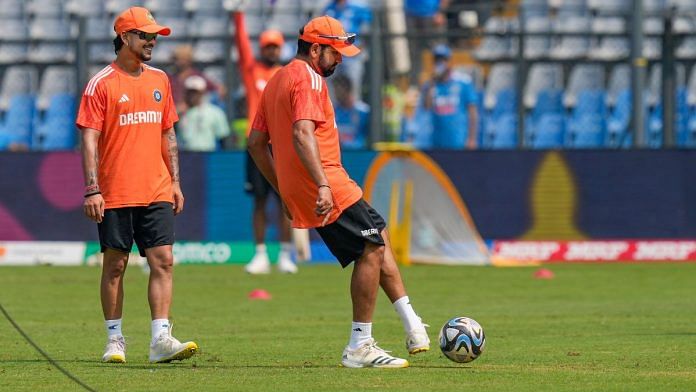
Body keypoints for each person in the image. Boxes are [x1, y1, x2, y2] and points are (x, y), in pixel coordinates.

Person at [247, 15, 430, 368]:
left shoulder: (276, 81)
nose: (340, 59)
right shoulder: (310, 79)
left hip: (307, 186)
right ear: (316, 49)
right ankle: (360, 345)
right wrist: (323, 184)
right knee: (370, 246)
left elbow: (255, 143)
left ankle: (412, 324)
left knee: (377, 237)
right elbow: (302, 133)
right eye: (335, 52)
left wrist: (284, 191)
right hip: (327, 181)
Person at [76, 6, 198, 364]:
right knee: (115, 265)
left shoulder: (160, 79)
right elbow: (88, 140)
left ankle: (161, 338)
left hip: (157, 188)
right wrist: (92, 188)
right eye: (145, 35)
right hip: (115, 191)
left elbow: (168, 133)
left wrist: (175, 181)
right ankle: (115, 340)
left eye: (154, 36)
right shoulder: (101, 84)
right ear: (125, 37)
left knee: (164, 260)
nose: (152, 42)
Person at [233, 10, 297, 274]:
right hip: (257, 143)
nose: (271, 50)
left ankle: (284, 255)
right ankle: (260, 254)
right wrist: (238, 16)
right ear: (262, 48)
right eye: (267, 46)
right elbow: (241, 46)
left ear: (281, 49)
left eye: (275, 47)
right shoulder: (252, 71)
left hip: (280, 143)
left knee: (285, 198)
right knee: (259, 200)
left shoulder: (286, 73)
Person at [421, 44, 478, 149]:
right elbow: (427, 107)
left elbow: (472, 112)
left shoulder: (463, 82)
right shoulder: (430, 85)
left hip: (459, 141)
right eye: (437, 60)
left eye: (443, 59)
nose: (440, 63)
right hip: (437, 142)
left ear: (449, 61)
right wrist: (432, 84)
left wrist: (471, 139)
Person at [323, 0, 372, 100]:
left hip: (352, 56)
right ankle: (333, 114)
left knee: (354, 92)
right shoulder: (329, 7)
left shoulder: (360, 6)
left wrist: (358, 51)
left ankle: (354, 115)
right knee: (330, 92)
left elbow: (367, 33)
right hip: (334, 56)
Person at [178, 75, 231, 151]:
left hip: (208, 156)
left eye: (196, 92)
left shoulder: (215, 112)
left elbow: (224, 140)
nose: (192, 95)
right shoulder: (180, 113)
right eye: (190, 92)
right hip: (186, 156)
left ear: (203, 92)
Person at [404, 0, 450, 85]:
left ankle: (442, 82)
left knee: (439, 52)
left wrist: (440, 12)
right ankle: (414, 84)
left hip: (432, 14)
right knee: (414, 53)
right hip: (411, 14)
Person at [167, 44, 220, 115]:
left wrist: (191, 105)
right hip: (174, 115)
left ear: (188, 60)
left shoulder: (198, 76)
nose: (177, 62)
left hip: (195, 115)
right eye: (175, 59)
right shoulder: (170, 77)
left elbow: (218, 90)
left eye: (180, 59)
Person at [332, 74, 370, 149]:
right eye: (335, 90)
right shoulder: (333, 111)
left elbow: (367, 138)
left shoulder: (363, 111)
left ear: (347, 90)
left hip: (358, 154)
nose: (336, 94)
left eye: (338, 90)